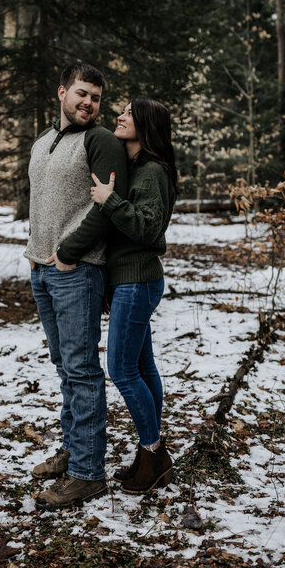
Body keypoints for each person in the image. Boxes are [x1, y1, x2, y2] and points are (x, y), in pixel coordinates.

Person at [24, 62, 127, 510]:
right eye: (81, 93)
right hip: (41, 271)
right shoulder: (43, 142)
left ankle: (88, 474)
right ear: (62, 91)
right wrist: (38, 254)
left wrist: (67, 252)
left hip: (78, 271)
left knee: (83, 371)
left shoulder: (100, 140)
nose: (88, 103)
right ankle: (73, 452)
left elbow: (107, 206)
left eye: (96, 98)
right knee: (65, 366)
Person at [90, 98, 177, 494]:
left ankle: (154, 453)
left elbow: (147, 229)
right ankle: (150, 456)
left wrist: (110, 201)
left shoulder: (153, 172)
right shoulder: (136, 168)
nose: (119, 117)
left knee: (121, 370)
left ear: (146, 124)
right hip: (129, 280)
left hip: (139, 281)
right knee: (142, 368)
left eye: (128, 112)